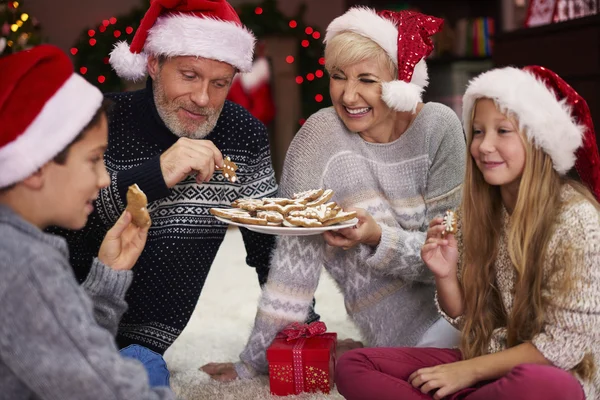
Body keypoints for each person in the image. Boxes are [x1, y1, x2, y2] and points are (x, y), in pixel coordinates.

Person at [202, 8, 466, 381]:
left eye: (367, 79)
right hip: (404, 344)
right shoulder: (319, 137)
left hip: (470, 318)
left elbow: (457, 259)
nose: (348, 94)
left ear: (399, 81)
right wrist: (254, 364)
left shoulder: (439, 127)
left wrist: (378, 237)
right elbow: (292, 266)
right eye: (338, 77)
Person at [334, 66, 600, 400]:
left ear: (538, 140)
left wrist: (466, 371)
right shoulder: (476, 211)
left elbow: (564, 348)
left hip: (549, 373)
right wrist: (445, 275)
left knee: (549, 387)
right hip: (485, 361)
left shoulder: (577, 220)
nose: (484, 145)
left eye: (503, 131)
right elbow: (468, 320)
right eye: (476, 131)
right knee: (354, 365)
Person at [49, 0, 279, 354]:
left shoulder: (244, 135)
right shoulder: (98, 122)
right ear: (154, 63)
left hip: (143, 348)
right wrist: (154, 175)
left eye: (220, 83)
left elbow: (270, 248)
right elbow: (50, 229)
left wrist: (304, 336)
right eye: (189, 76)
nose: (203, 98)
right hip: (58, 325)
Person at [0, 45, 174, 399]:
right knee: (144, 371)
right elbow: (101, 389)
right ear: (34, 166)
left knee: (143, 359)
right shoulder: (26, 263)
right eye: (94, 160)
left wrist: (108, 275)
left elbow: (62, 343)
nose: (105, 179)